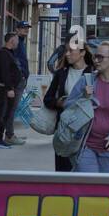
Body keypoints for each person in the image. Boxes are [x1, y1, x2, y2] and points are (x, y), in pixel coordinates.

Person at [67, 41, 109, 173]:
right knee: (88, 185)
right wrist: (84, 97)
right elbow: (68, 105)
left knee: (102, 190)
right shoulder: (86, 80)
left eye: (100, 57)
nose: (96, 60)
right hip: (86, 144)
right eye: (95, 56)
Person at [42, 40, 94, 171]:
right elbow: (47, 99)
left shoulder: (93, 73)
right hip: (64, 129)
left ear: (82, 52)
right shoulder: (61, 73)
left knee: (82, 170)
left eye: (71, 51)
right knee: (62, 170)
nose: (67, 54)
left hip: (86, 129)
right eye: (66, 51)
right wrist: (59, 102)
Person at [0, 34, 24, 149]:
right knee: (2, 113)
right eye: (16, 40)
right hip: (4, 89)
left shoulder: (9, 53)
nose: (18, 42)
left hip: (8, 88)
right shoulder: (3, 54)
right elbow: (5, 73)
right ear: (11, 40)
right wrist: (9, 88)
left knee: (6, 113)